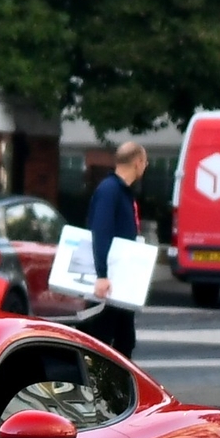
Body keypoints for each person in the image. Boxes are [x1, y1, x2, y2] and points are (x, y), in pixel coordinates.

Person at [84, 140, 145, 356]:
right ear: (138, 162)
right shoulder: (110, 191)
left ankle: (118, 389)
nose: (144, 168)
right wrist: (102, 274)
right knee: (101, 342)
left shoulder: (123, 192)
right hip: (108, 284)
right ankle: (101, 388)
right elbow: (100, 231)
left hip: (121, 283)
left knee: (125, 340)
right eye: (144, 163)